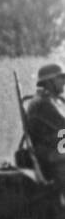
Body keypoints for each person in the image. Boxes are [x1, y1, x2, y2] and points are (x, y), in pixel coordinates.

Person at [25, 62, 65, 197]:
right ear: (49, 81)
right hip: (49, 150)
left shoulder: (54, 100)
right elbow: (62, 128)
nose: (64, 82)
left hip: (56, 145)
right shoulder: (42, 103)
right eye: (60, 78)